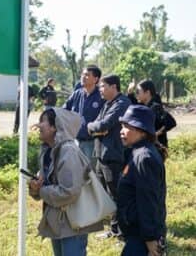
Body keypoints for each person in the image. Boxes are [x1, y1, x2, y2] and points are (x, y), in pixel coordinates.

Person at [28, 107, 103, 255]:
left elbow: (69, 192)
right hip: (58, 219)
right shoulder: (47, 151)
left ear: (55, 127)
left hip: (73, 223)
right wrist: (35, 187)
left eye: (42, 121)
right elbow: (45, 183)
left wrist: (41, 191)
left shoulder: (68, 151)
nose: (38, 125)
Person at [117, 105, 167, 256]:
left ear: (142, 131)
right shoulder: (135, 152)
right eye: (122, 126)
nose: (121, 131)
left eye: (127, 127)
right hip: (136, 232)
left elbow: (148, 201)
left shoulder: (144, 158)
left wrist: (150, 238)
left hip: (142, 237)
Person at [86, 74, 131, 239]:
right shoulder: (107, 104)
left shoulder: (122, 103)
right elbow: (94, 125)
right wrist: (94, 128)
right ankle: (114, 228)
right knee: (106, 194)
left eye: (103, 86)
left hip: (113, 156)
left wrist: (98, 128)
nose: (100, 89)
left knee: (117, 194)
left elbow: (104, 124)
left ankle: (123, 232)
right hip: (101, 154)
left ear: (114, 87)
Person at [64, 66, 103, 161]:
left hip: (92, 143)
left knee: (90, 170)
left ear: (95, 79)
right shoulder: (77, 94)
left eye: (87, 75)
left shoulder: (102, 96)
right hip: (75, 141)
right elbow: (64, 111)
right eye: (82, 74)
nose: (83, 77)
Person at [134, 80, 176, 149]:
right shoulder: (145, 106)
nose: (136, 94)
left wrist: (156, 134)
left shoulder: (155, 107)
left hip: (157, 147)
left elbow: (171, 122)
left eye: (138, 91)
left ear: (147, 93)